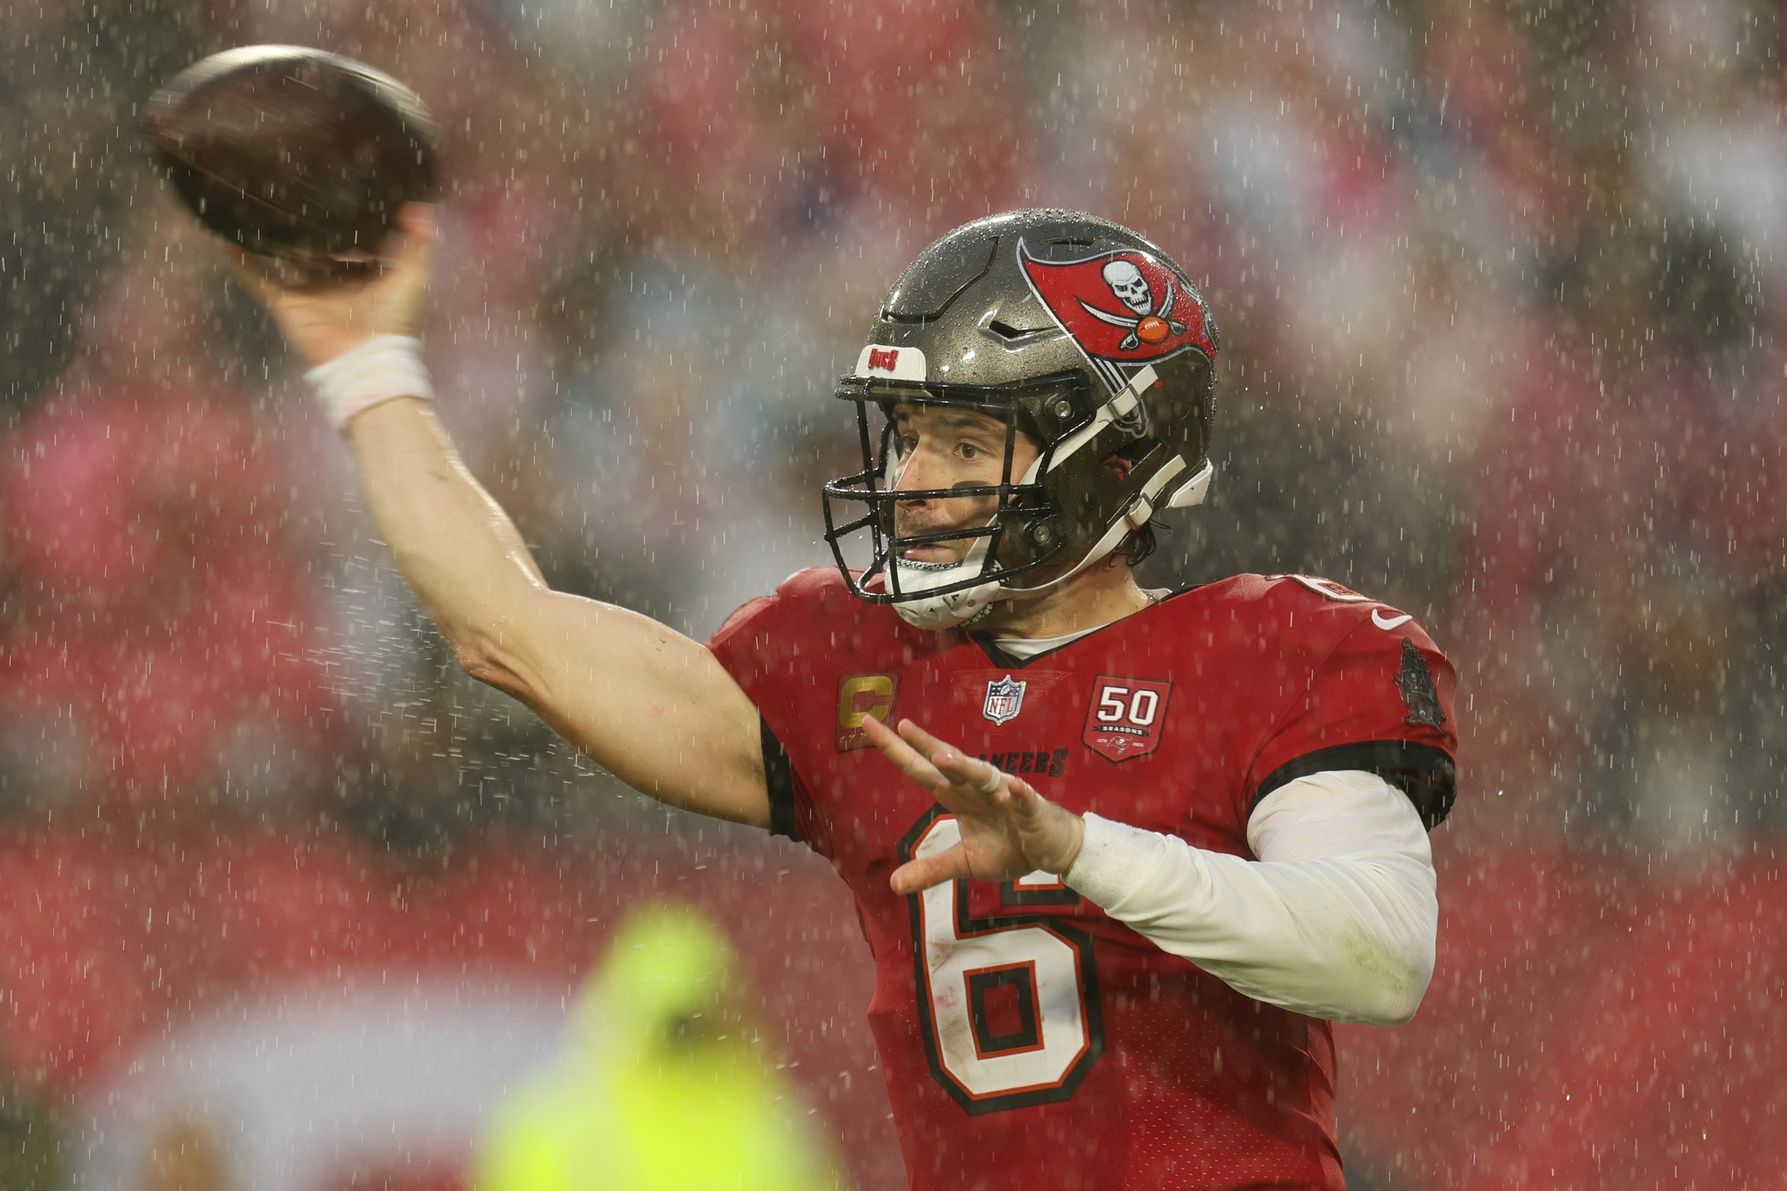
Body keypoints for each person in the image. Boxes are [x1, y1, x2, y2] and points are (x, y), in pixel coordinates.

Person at [229, 205, 1458, 1191]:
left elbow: (1375, 955)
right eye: (906, 437)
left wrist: (1075, 849)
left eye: (965, 446)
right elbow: (511, 630)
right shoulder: (862, 672)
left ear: (1113, 459)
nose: (912, 482)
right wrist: (365, 365)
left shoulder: (1273, 651)